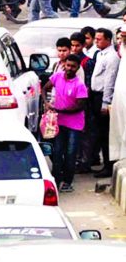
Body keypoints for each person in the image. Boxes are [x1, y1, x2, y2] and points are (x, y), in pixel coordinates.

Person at [45, 55, 89, 193]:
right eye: (67, 65)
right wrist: (46, 104)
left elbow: (80, 106)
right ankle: (56, 180)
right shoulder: (57, 77)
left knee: (70, 153)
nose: (69, 69)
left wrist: (59, 110)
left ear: (78, 68)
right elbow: (44, 88)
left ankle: (68, 182)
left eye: (73, 66)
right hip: (59, 122)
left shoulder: (80, 85)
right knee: (57, 152)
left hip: (74, 125)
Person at [89, 28, 119, 178]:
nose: (96, 42)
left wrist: (105, 102)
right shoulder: (100, 54)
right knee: (99, 133)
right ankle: (104, 163)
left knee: (105, 133)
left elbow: (109, 81)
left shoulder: (112, 57)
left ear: (108, 40)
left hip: (103, 97)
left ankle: (109, 164)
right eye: (96, 39)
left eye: (99, 39)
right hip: (95, 95)